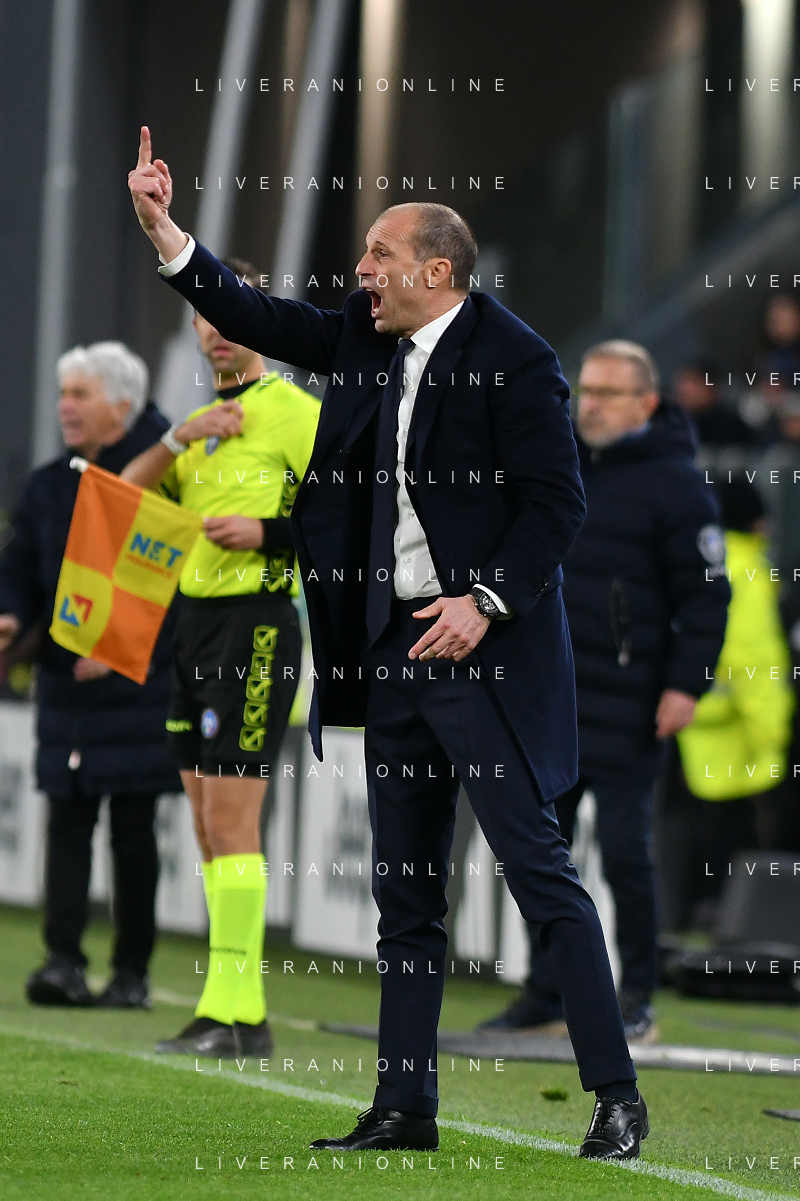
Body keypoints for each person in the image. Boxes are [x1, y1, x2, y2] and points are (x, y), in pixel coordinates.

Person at [129, 126, 648, 1161]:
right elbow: (258, 314)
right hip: (394, 653)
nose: (360, 270)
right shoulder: (365, 340)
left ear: (436, 271)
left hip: (481, 655)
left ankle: (616, 1095)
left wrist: (484, 600)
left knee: (537, 872)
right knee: (402, 894)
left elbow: (555, 503)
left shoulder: (517, 359)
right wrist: (165, 232)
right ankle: (404, 1105)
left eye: (378, 254)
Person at [480, 341, 730, 1041]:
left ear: (646, 403)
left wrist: (685, 686)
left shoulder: (678, 486)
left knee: (625, 855)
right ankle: (546, 992)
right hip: (552, 702)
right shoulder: (557, 467)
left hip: (631, 708)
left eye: (606, 393)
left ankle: (637, 996)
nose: (588, 404)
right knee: (539, 854)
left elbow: (708, 599)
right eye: (584, 389)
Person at [121, 257, 320, 1060]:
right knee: (207, 826)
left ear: (257, 317)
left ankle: (229, 1012)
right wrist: (178, 436)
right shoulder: (200, 427)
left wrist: (267, 533)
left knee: (232, 823)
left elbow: (352, 518)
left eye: (228, 313)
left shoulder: (296, 412)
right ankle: (241, 1012)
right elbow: (123, 498)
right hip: (193, 628)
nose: (214, 329)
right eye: (202, 316)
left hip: (257, 626)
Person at [0, 341, 180, 1008]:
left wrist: (123, 644)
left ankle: (131, 972)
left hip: (139, 685)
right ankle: (63, 961)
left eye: (79, 394)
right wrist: (10, 616)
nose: (64, 407)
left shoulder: (171, 473)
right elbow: (19, 569)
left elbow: (177, 583)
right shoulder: (50, 483)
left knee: (133, 829)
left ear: (122, 404)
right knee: (67, 822)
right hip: (65, 684)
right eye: (62, 393)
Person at [663, 479, 793, 924]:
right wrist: (773, 732)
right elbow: (755, 660)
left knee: (681, 835)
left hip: (687, 724)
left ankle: (684, 917)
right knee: (730, 845)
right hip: (735, 737)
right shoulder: (747, 570)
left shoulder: (695, 558)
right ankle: (716, 920)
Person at [671, 361, 754, 447]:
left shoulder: (732, 427)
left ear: (710, 386)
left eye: (693, 382)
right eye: (681, 382)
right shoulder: (676, 424)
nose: (685, 389)